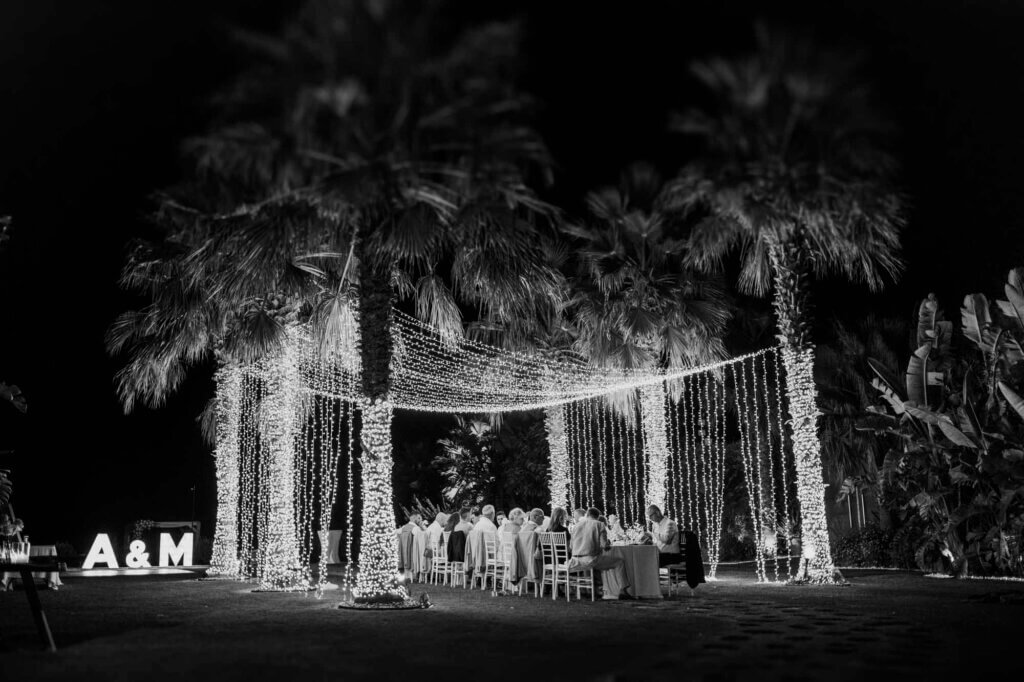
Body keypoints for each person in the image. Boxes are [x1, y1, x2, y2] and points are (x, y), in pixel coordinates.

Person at [568, 508, 631, 599]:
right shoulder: (599, 524)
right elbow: (604, 546)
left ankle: (595, 590)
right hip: (590, 560)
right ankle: (623, 591)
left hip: (575, 560)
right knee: (619, 562)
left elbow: (571, 547)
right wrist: (607, 544)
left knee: (598, 561)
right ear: (597, 517)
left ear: (587, 515)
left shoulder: (576, 526)